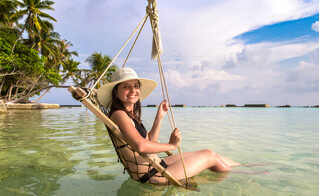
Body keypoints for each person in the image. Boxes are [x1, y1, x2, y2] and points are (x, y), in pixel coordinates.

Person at [97, 68, 240, 184]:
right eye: (126, 87)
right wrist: (171, 145)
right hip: (151, 174)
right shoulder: (119, 115)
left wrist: (159, 117)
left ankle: (246, 169)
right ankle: (243, 177)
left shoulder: (129, 114)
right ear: (116, 92)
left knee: (209, 151)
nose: (133, 90)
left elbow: (150, 141)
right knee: (211, 157)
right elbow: (140, 146)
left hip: (156, 164)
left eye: (135, 86)